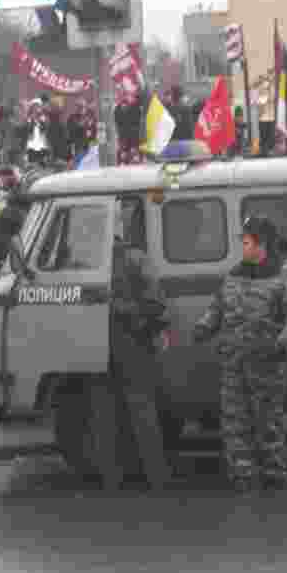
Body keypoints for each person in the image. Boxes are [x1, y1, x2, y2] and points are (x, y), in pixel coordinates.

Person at [193, 215, 287, 495]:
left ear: (264, 245)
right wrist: (204, 326)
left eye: (247, 242)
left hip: (267, 365)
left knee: (268, 424)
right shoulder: (234, 276)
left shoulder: (283, 276)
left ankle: (274, 478)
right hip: (233, 364)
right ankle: (242, 477)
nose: (243, 248)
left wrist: (286, 341)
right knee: (234, 424)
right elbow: (217, 308)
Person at [106, 203, 172, 492]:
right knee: (138, 410)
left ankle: (127, 476)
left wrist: (119, 308)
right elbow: (155, 303)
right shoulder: (135, 259)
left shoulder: (106, 261)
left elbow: (153, 305)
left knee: (124, 411)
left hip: (123, 339)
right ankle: (152, 475)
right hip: (129, 340)